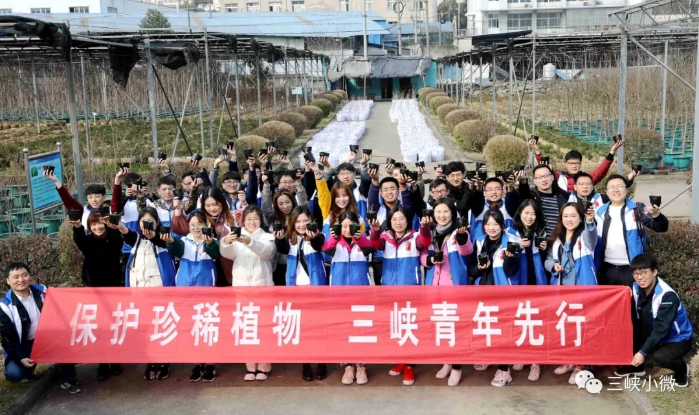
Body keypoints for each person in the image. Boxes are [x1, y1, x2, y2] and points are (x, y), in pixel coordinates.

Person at [371, 206, 431, 386]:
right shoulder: (385, 238)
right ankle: (402, 360)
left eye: (401, 219)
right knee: (397, 327)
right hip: (390, 291)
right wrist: (375, 231)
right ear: (390, 222)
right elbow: (374, 245)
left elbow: (425, 242)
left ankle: (410, 365)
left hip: (411, 291)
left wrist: (424, 228)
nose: (398, 222)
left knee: (410, 327)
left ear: (407, 221)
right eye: (395, 219)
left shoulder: (415, 237)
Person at [1, 262, 81, 393]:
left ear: (30, 276)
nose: (21, 280)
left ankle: (68, 379)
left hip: (48, 338)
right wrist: (20, 357)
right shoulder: (5, 307)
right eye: (16, 277)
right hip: (25, 344)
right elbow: (7, 339)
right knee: (14, 373)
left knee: (68, 343)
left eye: (24, 275)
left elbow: (65, 306)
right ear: (8, 281)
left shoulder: (44, 292)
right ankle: (28, 371)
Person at [220, 205, 277, 381]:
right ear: (243, 221)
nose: (252, 222)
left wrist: (250, 242)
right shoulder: (236, 236)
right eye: (248, 219)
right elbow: (227, 254)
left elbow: (268, 253)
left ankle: (264, 365)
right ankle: (250, 365)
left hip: (263, 289)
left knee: (263, 328)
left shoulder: (267, 237)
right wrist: (227, 241)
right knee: (246, 327)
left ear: (261, 220)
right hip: (242, 290)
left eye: (255, 219)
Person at [162, 211, 220, 382]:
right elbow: (175, 247)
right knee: (191, 326)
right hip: (185, 289)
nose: (196, 228)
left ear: (206, 225)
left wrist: (209, 243)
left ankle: (210, 363)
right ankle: (197, 363)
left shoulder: (212, 241)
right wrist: (170, 241)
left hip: (206, 289)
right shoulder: (184, 241)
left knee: (207, 325)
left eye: (199, 224)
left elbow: (216, 253)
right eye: (192, 224)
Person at [421, 198, 473, 387]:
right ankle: (447, 361)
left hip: (454, 287)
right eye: (438, 212)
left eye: (446, 211)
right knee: (442, 326)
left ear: (452, 213)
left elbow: (467, 251)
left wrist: (462, 236)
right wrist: (428, 260)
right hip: (435, 287)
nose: (442, 215)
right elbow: (422, 253)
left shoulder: (458, 232)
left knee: (456, 328)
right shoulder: (430, 232)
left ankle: (458, 367)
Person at [121, 207, 176, 381]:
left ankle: (164, 360)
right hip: (139, 293)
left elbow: (164, 243)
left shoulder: (163, 239)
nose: (146, 225)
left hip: (159, 293)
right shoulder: (136, 240)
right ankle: (151, 361)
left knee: (161, 327)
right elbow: (126, 233)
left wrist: (153, 235)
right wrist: (116, 224)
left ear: (157, 222)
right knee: (145, 329)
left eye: (150, 221)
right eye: (143, 221)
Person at [545, 202, 598, 384]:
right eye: (566, 216)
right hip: (562, 289)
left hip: (581, 289)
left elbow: (592, 237)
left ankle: (580, 366)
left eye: (573, 216)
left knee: (581, 327)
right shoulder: (557, 238)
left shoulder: (585, 235)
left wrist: (590, 221)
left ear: (580, 218)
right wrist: (553, 265)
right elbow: (548, 259)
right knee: (566, 326)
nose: (569, 219)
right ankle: (568, 360)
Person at [69, 211, 125, 381]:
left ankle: (115, 361)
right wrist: (77, 227)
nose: (98, 227)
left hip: (113, 289)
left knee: (113, 326)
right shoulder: (87, 241)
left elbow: (116, 240)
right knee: (98, 328)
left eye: (101, 223)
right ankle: (102, 364)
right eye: (94, 224)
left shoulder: (114, 239)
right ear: (89, 226)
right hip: (93, 291)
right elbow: (80, 240)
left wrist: (112, 226)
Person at [273, 206, 327, 381]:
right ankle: (305, 363)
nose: (302, 224)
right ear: (292, 223)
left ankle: (321, 362)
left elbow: (320, 245)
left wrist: (314, 236)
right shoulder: (290, 240)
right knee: (302, 329)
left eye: (305, 220)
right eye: (298, 221)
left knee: (318, 328)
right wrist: (279, 238)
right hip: (296, 291)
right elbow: (281, 248)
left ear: (311, 220)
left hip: (316, 290)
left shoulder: (318, 236)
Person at [622, 254, 693, 387]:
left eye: (644, 273)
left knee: (661, 358)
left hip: (677, 338)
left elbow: (661, 329)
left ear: (654, 272)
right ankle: (637, 368)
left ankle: (682, 370)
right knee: (627, 332)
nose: (640, 277)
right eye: (636, 274)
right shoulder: (635, 288)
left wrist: (642, 352)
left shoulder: (667, 295)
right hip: (652, 329)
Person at [322, 211, 374, 385]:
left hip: (362, 294)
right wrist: (334, 237)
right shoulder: (334, 242)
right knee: (343, 328)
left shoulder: (362, 241)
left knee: (361, 329)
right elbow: (326, 251)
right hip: (339, 294)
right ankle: (347, 366)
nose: (347, 229)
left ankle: (361, 366)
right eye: (343, 226)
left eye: (350, 226)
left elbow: (370, 249)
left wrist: (360, 238)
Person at [468, 209, 517, 387]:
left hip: (502, 293)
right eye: (488, 224)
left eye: (495, 224)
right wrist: (480, 268)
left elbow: (513, 271)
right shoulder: (479, 242)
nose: (492, 227)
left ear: (502, 225)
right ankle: (488, 356)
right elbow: (471, 269)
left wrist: (510, 258)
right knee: (486, 327)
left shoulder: (511, 241)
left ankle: (504, 370)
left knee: (503, 331)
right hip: (483, 292)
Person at [595, 174, 669, 287]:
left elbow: (661, 227)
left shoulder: (637, 210)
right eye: (611, 187)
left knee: (633, 298)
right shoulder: (599, 212)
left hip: (633, 268)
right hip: (606, 269)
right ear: (607, 192)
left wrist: (656, 214)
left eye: (620, 186)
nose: (616, 190)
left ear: (626, 189)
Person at [173, 187, 237, 286]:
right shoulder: (200, 218)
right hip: (206, 267)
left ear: (222, 201)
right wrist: (178, 209)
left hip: (227, 265)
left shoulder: (232, 218)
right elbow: (180, 228)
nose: (212, 208)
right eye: (207, 205)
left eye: (215, 204)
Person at [368, 173, 414, 285]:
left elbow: (408, 203)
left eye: (392, 189)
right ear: (381, 193)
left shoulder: (404, 208)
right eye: (385, 190)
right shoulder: (377, 209)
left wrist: (403, 185)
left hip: (404, 255)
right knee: (382, 290)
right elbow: (372, 200)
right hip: (380, 257)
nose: (389, 192)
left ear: (398, 191)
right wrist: (375, 181)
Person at [529, 138, 624, 191]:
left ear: (580, 164)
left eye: (576, 163)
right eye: (571, 163)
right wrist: (537, 151)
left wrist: (612, 152)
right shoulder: (559, 178)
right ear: (566, 164)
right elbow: (546, 169)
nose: (574, 166)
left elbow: (601, 171)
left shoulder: (587, 179)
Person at [45, 168, 113, 230]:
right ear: (87, 198)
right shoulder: (83, 211)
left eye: (97, 196)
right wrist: (56, 181)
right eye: (90, 197)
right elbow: (68, 200)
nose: (94, 200)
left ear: (104, 197)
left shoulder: (111, 210)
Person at [519, 164, 571, 236]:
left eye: (546, 176)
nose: (544, 180)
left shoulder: (562, 198)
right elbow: (523, 195)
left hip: (559, 239)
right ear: (534, 181)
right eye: (539, 177)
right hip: (539, 240)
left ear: (552, 177)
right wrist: (523, 183)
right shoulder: (532, 196)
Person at [467, 177, 521, 243]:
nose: (494, 192)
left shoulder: (508, 206)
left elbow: (512, 200)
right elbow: (476, 199)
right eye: (490, 189)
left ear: (503, 191)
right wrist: (479, 187)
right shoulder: (479, 207)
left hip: (505, 246)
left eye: (497, 189)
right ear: (484, 193)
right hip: (481, 246)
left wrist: (510, 187)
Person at [267, 190, 298, 286]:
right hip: (279, 263)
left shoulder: (299, 218)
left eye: (287, 202)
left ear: (292, 201)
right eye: (280, 204)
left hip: (297, 262)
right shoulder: (273, 220)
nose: (285, 206)